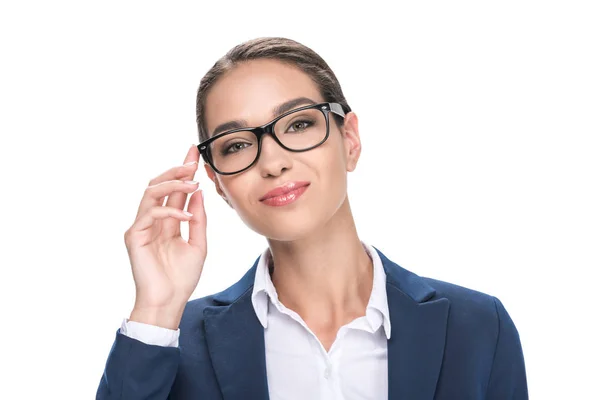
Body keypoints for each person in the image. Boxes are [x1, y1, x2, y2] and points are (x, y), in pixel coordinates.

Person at [96, 37, 528, 400]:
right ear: (217, 182)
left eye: (299, 124)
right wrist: (156, 307)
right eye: (236, 145)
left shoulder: (478, 328)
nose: (273, 161)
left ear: (350, 138)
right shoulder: (172, 340)